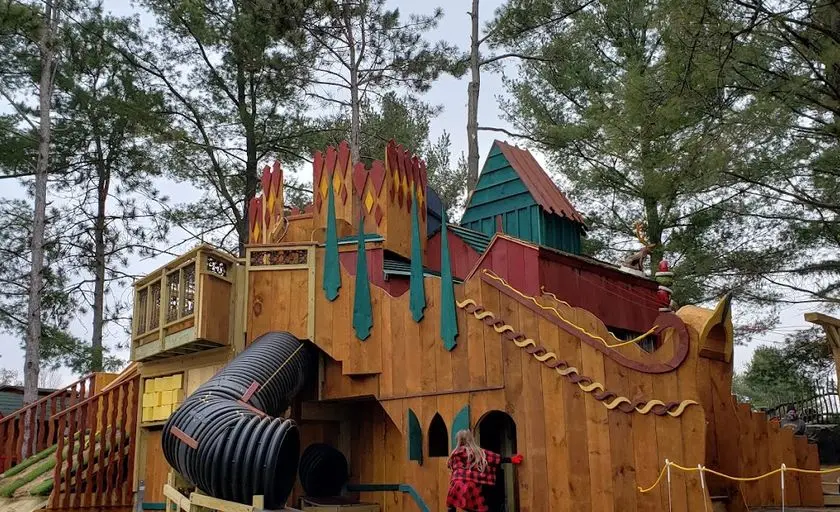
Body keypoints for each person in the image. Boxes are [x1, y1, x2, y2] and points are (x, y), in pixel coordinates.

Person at [446, 429, 523, 512]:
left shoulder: (455, 453)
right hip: (471, 485)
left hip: (457, 485)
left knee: (451, 503)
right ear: (471, 439)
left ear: (458, 440)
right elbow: (493, 458)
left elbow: (451, 467)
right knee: (477, 507)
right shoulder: (478, 451)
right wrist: (510, 459)